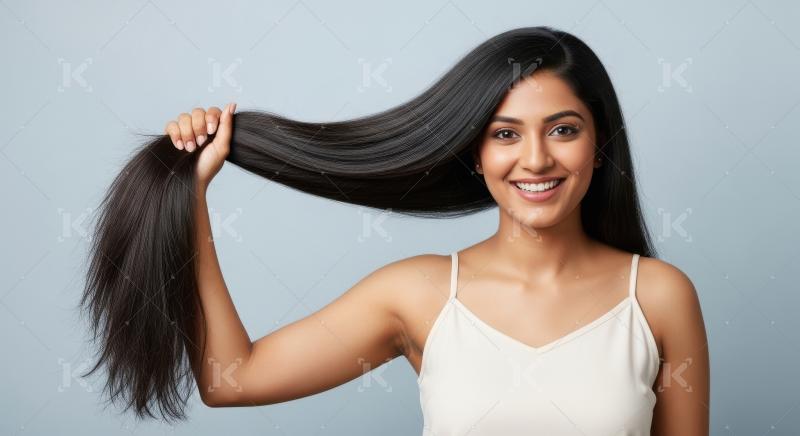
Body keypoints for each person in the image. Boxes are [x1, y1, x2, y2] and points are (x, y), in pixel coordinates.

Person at [162, 68, 708, 434]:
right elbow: (230, 379)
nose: (537, 160)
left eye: (563, 129)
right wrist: (191, 202)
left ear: (600, 143)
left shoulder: (658, 296)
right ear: (475, 153)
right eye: (505, 134)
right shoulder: (418, 294)